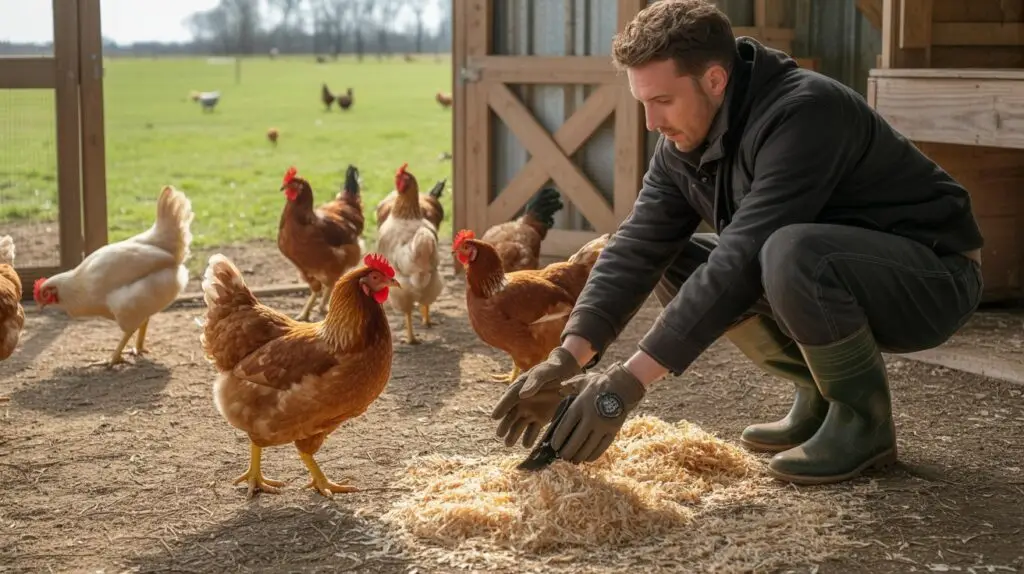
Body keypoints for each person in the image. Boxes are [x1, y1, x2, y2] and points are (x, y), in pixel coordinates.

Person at [490, 0, 984, 486]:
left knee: (790, 252)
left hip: (933, 277)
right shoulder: (681, 144)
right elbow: (637, 246)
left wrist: (626, 384)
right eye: (644, 103)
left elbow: (743, 254)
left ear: (714, 80)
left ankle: (862, 422)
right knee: (676, 258)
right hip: (834, 270)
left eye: (662, 101)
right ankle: (817, 394)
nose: (650, 123)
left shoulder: (806, 113)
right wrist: (569, 353)